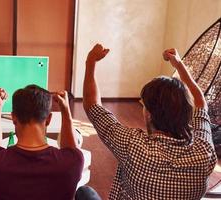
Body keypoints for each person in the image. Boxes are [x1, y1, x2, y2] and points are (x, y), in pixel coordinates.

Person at [83, 44, 217, 199]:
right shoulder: (204, 152)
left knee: (85, 193)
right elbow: (201, 102)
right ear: (186, 112)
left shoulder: (133, 146)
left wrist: (90, 62)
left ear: (149, 114)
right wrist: (179, 65)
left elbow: (93, 107)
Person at [0, 84, 84, 200]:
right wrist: (65, 111)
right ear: (49, 119)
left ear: (13, 117)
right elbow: (71, 151)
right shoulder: (72, 162)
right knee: (85, 192)